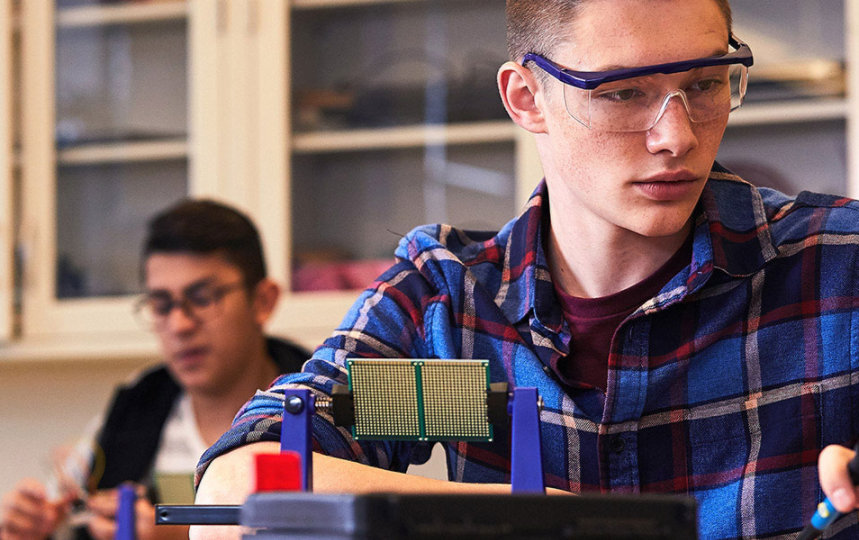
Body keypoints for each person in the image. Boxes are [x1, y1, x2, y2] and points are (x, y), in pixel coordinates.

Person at [192, 1, 859, 538]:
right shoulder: (447, 306)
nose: (675, 136)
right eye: (622, 92)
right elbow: (238, 489)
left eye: (704, 84)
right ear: (525, 98)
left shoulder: (840, 267)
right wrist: (541, 521)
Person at [0, 199, 309, 540]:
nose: (179, 324)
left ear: (263, 301)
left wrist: (182, 535)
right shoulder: (134, 409)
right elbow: (64, 510)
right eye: (161, 305)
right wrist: (35, 529)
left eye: (204, 297)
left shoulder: (324, 409)